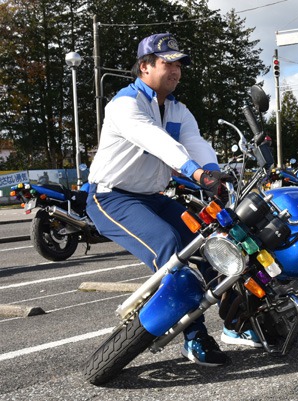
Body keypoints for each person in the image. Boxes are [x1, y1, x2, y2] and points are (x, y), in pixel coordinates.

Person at [86, 33, 259, 367]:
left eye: (179, 64)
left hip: (153, 197)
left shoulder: (178, 109)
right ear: (145, 66)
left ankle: (238, 323)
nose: (176, 70)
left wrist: (214, 173)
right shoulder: (125, 105)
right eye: (169, 63)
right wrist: (195, 173)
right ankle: (195, 339)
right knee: (169, 250)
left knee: (214, 245)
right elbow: (155, 141)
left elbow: (195, 142)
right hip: (112, 197)